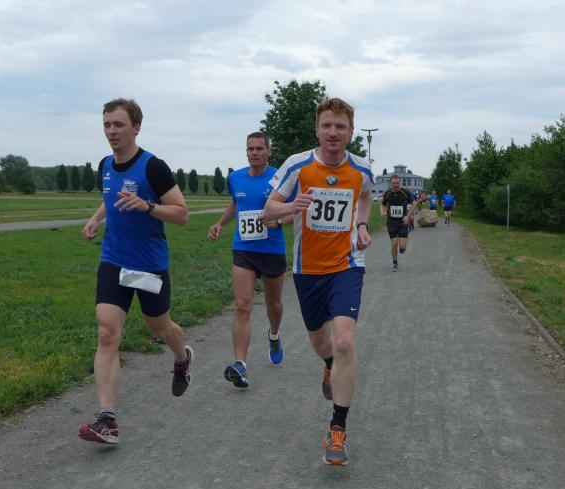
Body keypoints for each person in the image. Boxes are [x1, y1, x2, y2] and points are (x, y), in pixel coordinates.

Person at [263, 97, 373, 466]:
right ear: (317, 129)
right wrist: (291, 206)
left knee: (343, 340)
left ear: (350, 132)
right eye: (327, 125)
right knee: (319, 340)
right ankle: (328, 363)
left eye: (340, 126)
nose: (333, 132)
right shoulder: (298, 165)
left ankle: (337, 428)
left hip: (347, 265)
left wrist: (361, 225)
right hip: (307, 269)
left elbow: (365, 197)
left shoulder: (362, 168)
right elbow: (269, 210)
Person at [78, 98, 193, 445]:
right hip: (114, 259)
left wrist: (147, 206)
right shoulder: (105, 165)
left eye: (119, 125)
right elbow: (110, 197)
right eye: (107, 125)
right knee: (107, 333)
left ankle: (182, 357)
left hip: (149, 264)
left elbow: (181, 213)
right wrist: (95, 218)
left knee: (160, 327)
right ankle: (107, 420)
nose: (111, 131)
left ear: (136, 127)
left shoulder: (153, 167)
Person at [208, 132, 291, 388]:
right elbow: (236, 204)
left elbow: (295, 210)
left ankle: (274, 335)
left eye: (259, 148)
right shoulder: (236, 178)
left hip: (272, 250)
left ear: (268, 151)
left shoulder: (280, 178)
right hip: (243, 248)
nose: (254, 153)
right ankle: (240, 365)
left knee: (273, 304)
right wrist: (220, 223)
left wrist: (278, 221)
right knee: (242, 305)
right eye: (250, 149)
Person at [380, 175, 411, 271]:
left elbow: (414, 203)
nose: (396, 185)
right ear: (391, 184)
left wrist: (408, 216)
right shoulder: (388, 193)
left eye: (397, 183)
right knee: (394, 243)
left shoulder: (405, 192)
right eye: (394, 183)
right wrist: (382, 212)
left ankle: (402, 247)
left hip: (403, 222)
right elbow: (382, 205)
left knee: (402, 247)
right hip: (391, 222)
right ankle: (394, 263)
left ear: (400, 183)